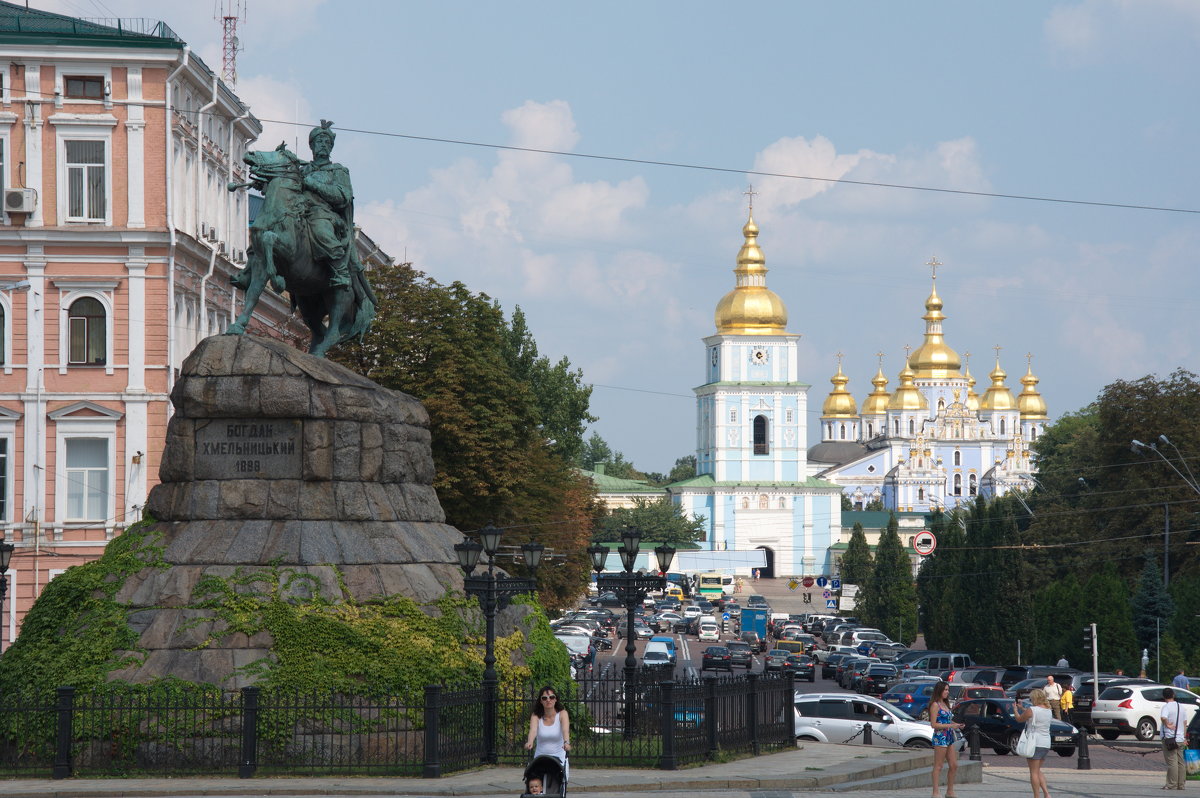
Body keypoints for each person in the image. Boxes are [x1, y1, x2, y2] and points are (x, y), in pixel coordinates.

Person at [301, 120, 360, 289]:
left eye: (327, 142)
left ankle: (340, 270)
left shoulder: (338, 171)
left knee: (321, 229)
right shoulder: (301, 170)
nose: (323, 145)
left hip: (326, 215)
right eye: (319, 141)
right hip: (298, 211)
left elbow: (343, 197)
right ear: (312, 146)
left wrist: (314, 184)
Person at [1013, 688, 1053, 798]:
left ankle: (1036, 796)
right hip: (1045, 742)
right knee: (1038, 770)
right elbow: (1035, 714)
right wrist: (1023, 708)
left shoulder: (1032, 709)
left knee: (1033, 772)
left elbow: (1019, 719)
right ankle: (1046, 793)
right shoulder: (1048, 710)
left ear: (1034, 698)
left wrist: (1016, 710)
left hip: (1034, 742)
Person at [928, 681, 965, 798]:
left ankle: (950, 791)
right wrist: (950, 726)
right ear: (939, 691)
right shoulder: (935, 705)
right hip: (940, 737)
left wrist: (957, 724)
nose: (947, 692)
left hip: (949, 736)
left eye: (948, 690)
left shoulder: (945, 704)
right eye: (945, 690)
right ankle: (935, 792)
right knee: (938, 766)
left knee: (954, 765)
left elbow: (947, 720)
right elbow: (934, 724)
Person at [525, 686, 571, 777]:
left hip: (559, 758)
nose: (548, 700)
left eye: (552, 697)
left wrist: (566, 742)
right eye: (544, 698)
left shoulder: (562, 714)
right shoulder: (536, 716)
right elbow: (533, 731)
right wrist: (530, 742)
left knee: (560, 782)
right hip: (541, 757)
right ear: (541, 701)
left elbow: (565, 730)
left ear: (556, 699)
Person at [1162, 687, 1187, 790]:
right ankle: (1181, 784)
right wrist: (1184, 737)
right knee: (1181, 762)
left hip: (1170, 738)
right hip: (1180, 738)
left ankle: (1172, 784)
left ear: (1164, 697)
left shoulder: (1166, 707)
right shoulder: (1181, 706)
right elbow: (1185, 723)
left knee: (1172, 762)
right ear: (1173, 695)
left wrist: (1167, 725)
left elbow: (1163, 717)